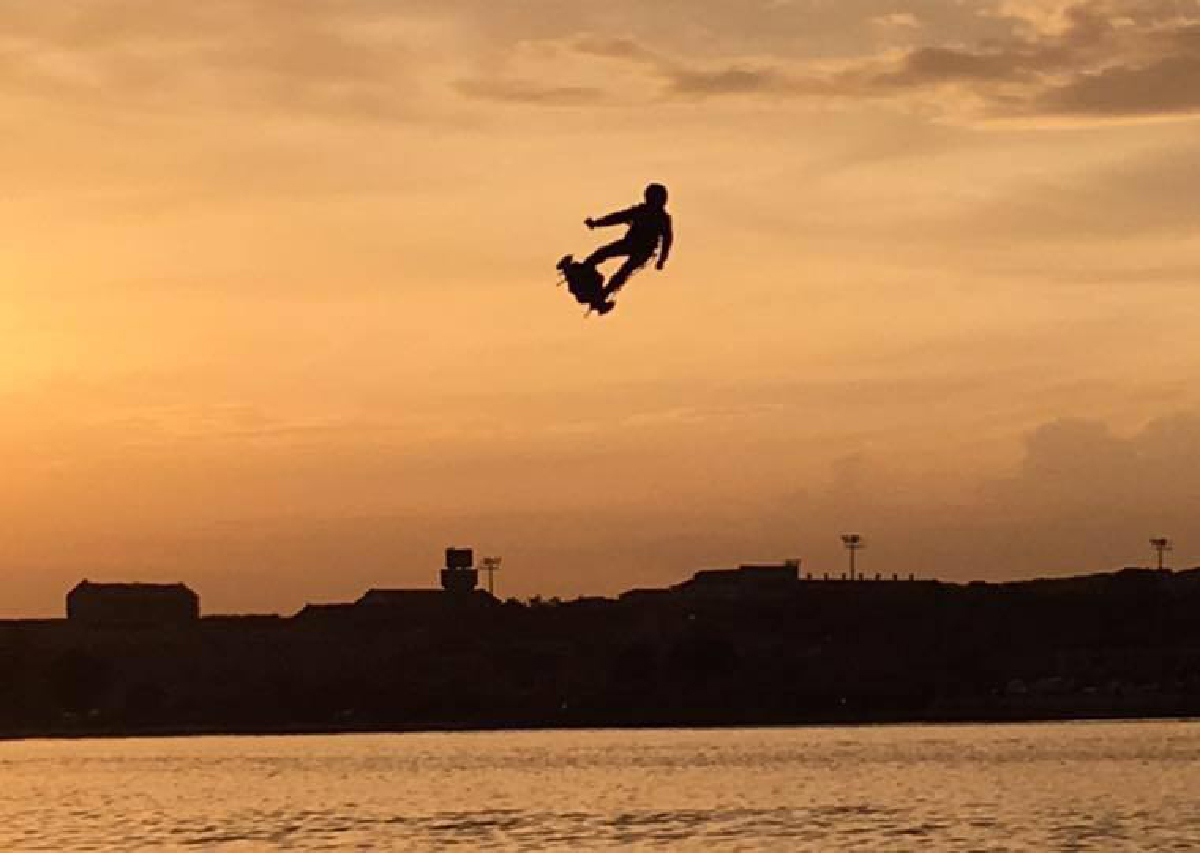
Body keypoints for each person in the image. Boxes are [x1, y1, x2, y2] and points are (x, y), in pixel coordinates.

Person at [583, 183, 673, 297]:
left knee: (622, 272)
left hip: (642, 251)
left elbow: (667, 240)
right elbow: (618, 217)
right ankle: (585, 270)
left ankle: (602, 295)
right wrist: (596, 223)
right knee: (603, 253)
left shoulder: (662, 218)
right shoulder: (642, 211)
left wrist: (662, 259)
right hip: (631, 244)